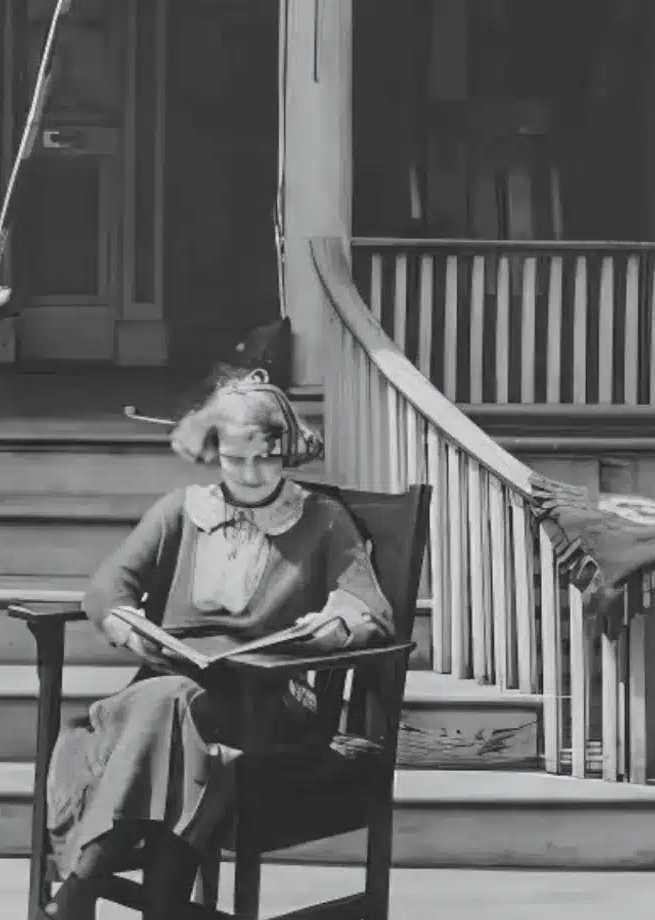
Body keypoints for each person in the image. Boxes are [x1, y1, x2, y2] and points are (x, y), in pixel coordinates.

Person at [44, 372, 394, 919]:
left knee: (166, 706)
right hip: (177, 693)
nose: (251, 473)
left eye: (267, 458)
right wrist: (124, 623)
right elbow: (109, 584)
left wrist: (337, 626)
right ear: (214, 452)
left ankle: (78, 884)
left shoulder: (323, 520)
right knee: (173, 705)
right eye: (235, 459)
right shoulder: (182, 510)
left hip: (268, 703)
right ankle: (163, 903)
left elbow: (370, 608)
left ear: (289, 450)